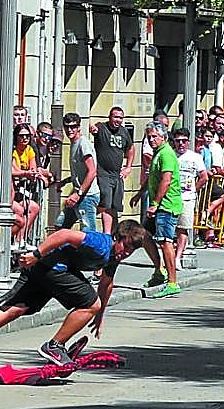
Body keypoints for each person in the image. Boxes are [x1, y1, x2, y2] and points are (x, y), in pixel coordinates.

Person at [0, 220, 147, 369]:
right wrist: (36, 254)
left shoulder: (113, 257)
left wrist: (100, 315)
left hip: (44, 269)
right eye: (125, 246)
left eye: (131, 251)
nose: (126, 253)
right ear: (116, 237)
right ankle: (54, 346)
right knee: (91, 303)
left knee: (16, 308)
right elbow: (64, 234)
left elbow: (106, 285)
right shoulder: (100, 244)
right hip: (52, 268)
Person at [131, 121, 183, 298]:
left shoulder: (166, 154)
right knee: (144, 235)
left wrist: (155, 203)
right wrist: (140, 193)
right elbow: (152, 176)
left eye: (154, 136)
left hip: (167, 205)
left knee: (165, 241)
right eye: (149, 137)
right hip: (159, 205)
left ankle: (172, 282)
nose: (151, 140)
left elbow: (166, 180)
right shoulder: (158, 153)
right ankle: (159, 271)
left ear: (164, 137)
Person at [90, 107, 135, 236]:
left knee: (115, 207)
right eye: (115, 117)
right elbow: (93, 127)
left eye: (120, 118)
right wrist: (93, 129)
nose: (118, 120)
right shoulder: (102, 128)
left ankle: (114, 235)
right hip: (103, 174)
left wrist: (128, 167)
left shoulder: (124, 132)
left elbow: (131, 148)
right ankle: (106, 235)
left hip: (117, 175)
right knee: (106, 205)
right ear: (110, 117)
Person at [56, 113, 100, 231]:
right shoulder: (74, 143)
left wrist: (78, 194)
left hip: (87, 196)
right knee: (60, 225)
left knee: (88, 232)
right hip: (78, 194)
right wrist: (65, 181)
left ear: (79, 127)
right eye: (67, 127)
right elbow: (80, 172)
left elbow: (92, 171)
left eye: (73, 127)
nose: (69, 130)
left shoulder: (82, 144)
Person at [173, 128, 207, 269]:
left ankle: (178, 257)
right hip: (171, 197)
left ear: (188, 142)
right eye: (178, 141)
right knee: (169, 230)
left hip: (187, 198)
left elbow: (203, 177)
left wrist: (193, 189)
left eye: (184, 141)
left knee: (183, 228)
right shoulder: (170, 155)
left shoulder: (195, 157)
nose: (181, 144)